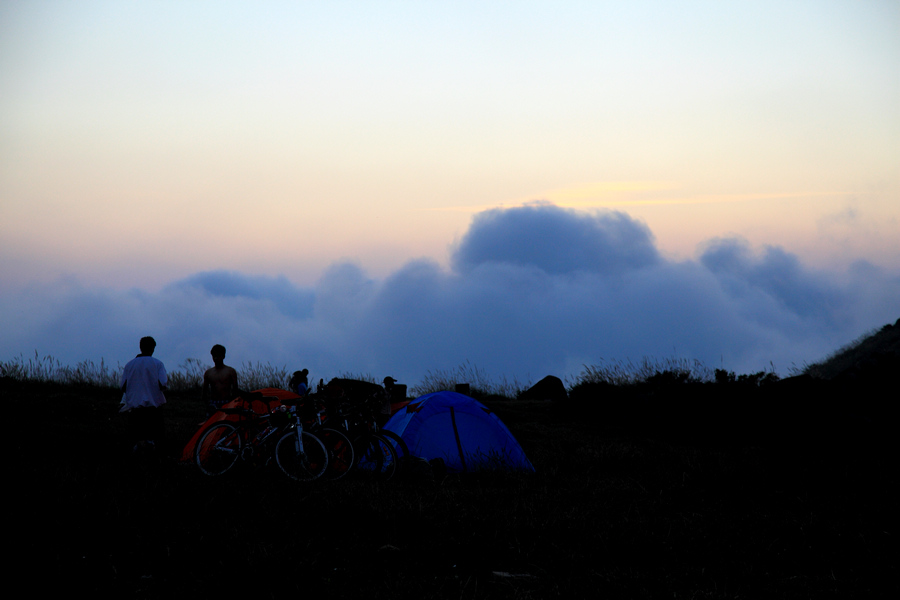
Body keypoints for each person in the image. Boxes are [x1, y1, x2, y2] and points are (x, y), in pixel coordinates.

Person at [120, 336, 168, 453]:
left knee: (137, 436)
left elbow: (123, 386)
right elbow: (163, 384)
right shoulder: (158, 364)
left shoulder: (129, 365)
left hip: (135, 407)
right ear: (153, 348)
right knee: (153, 436)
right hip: (153, 407)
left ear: (140, 347)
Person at [202, 344, 239, 417]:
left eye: (218, 356)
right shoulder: (208, 373)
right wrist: (207, 405)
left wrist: (232, 403)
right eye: (214, 356)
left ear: (223, 356)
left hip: (227, 402)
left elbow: (235, 390)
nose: (215, 358)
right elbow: (204, 391)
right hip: (213, 403)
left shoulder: (230, 372)